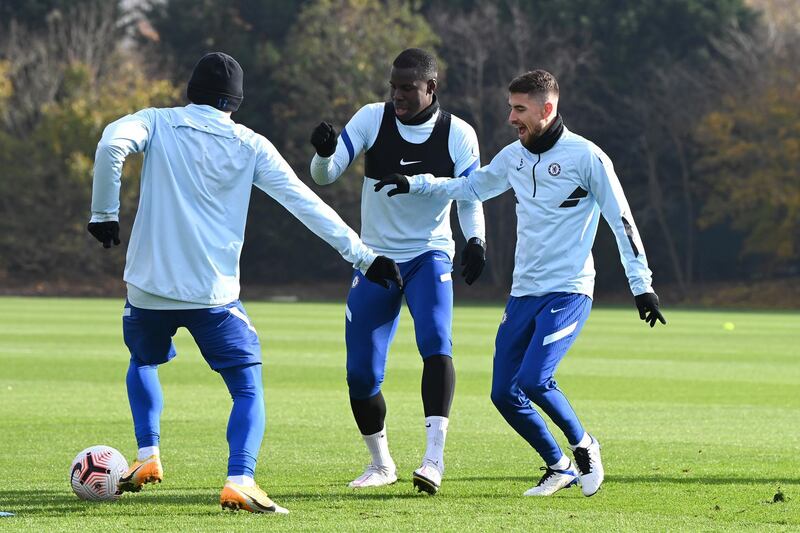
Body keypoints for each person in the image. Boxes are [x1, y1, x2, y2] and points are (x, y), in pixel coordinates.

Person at [87, 52, 402, 514]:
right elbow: (304, 203)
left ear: (189, 91)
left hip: (147, 290)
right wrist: (364, 256)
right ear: (235, 102)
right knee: (248, 388)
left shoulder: (155, 121)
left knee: (143, 361)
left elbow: (111, 144)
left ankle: (147, 456)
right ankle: (240, 479)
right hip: (212, 295)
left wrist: (104, 214)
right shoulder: (250, 144)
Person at [374, 69, 666, 497]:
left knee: (534, 380)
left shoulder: (587, 157)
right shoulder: (513, 157)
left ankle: (584, 445)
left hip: (569, 290)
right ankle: (558, 466)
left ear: (547, 109)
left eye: (519, 109)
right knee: (503, 392)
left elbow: (621, 221)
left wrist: (641, 285)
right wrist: (415, 184)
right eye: (510, 108)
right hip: (523, 292)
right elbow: (469, 186)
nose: (511, 118)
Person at [308, 48, 486, 494]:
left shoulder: (458, 133)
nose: (398, 95)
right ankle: (381, 463)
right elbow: (326, 175)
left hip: (429, 255)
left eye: (407, 87)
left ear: (431, 87)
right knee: (361, 374)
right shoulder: (372, 118)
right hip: (375, 259)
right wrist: (323, 153)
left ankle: (433, 460)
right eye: (393, 86)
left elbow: (470, 193)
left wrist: (476, 240)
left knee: (436, 340)